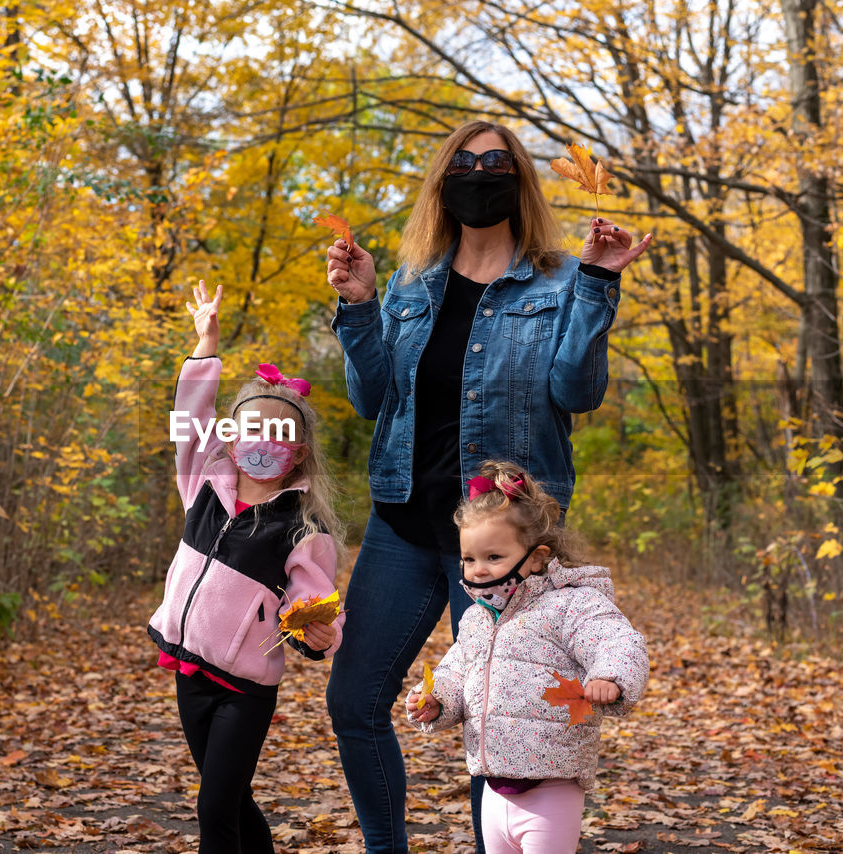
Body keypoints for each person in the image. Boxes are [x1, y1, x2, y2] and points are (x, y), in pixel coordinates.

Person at [324, 118, 651, 852]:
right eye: (464, 164)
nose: (479, 174)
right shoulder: (409, 284)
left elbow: (577, 389)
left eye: (495, 163)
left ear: (518, 181)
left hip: (504, 536)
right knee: (355, 701)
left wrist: (598, 283)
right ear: (444, 183)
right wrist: (358, 303)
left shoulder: (564, 279)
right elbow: (371, 399)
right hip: (404, 521)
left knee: (499, 712)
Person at [147, 281, 345, 854]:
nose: (262, 441)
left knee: (214, 805)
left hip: (245, 689)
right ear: (230, 439)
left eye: (278, 435)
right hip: (189, 670)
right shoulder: (201, 487)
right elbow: (188, 418)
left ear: (299, 452)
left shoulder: (303, 533)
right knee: (230, 798)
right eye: (249, 430)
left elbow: (314, 609)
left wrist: (319, 631)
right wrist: (205, 348)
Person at [405, 461, 648, 854]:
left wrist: (611, 677)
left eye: (494, 557)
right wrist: (436, 700)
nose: (478, 570)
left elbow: (617, 640)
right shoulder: (476, 619)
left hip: (551, 787)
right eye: (469, 559)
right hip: (493, 787)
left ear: (536, 557)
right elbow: (454, 671)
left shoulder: (569, 604)